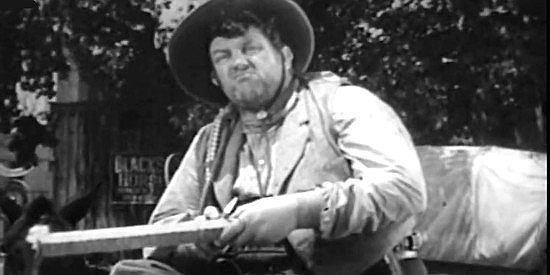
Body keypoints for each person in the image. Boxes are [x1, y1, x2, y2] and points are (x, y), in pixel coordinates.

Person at [111, 0, 427, 274]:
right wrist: (197, 235)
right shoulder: (211, 140)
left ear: (286, 56)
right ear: (215, 78)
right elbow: (159, 231)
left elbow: (403, 188)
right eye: (223, 56)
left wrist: (298, 211)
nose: (238, 62)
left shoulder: (342, 103)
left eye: (251, 48)